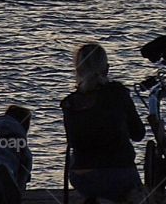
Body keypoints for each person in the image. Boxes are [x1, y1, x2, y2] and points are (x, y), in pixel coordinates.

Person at [61, 42, 145, 203]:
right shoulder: (118, 93)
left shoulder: (69, 103)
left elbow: (72, 141)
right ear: (107, 69)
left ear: (77, 70)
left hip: (81, 177)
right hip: (118, 174)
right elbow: (138, 134)